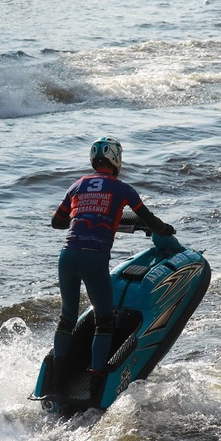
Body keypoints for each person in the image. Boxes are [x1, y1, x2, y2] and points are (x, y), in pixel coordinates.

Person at [48, 137, 175, 395]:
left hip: (68, 256)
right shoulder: (123, 189)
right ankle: (96, 384)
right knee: (104, 320)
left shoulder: (77, 185)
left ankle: (56, 379)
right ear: (116, 159)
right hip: (94, 257)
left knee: (67, 317)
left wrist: (86, 215)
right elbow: (149, 220)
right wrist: (166, 229)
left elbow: (57, 222)